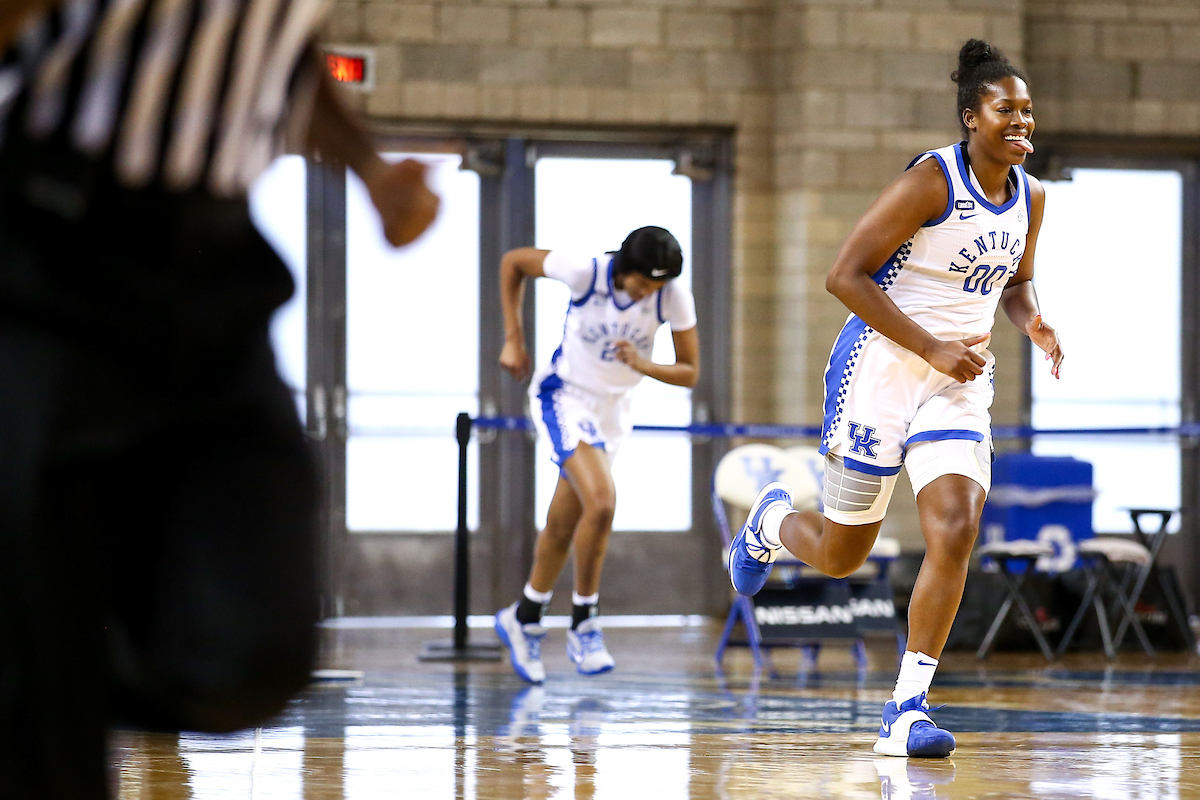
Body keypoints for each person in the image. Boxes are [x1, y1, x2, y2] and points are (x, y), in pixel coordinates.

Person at [0, 2, 437, 797]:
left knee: (253, 654)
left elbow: (283, 51)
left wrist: (371, 170)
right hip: (48, 241)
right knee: (46, 728)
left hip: (215, 266)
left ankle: (42, 666)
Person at [728, 39, 1064, 758]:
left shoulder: (1032, 196)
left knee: (955, 526)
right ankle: (772, 525)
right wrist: (928, 346)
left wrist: (1031, 318)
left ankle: (905, 709)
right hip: (878, 368)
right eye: (1007, 108)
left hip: (958, 381)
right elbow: (845, 276)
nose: (1021, 121)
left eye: (1028, 110)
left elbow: (1014, 281)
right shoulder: (930, 180)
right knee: (846, 554)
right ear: (972, 116)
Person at [493, 227, 700, 683]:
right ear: (625, 270)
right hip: (565, 396)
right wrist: (513, 337)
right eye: (644, 284)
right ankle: (585, 620)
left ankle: (525, 615)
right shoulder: (585, 272)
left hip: (614, 410)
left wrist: (645, 365)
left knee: (566, 521)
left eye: (658, 286)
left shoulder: (671, 296)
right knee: (602, 502)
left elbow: (689, 372)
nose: (651, 293)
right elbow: (513, 261)